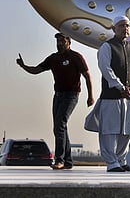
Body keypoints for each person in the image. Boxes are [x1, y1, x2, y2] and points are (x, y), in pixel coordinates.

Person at [16, 33, 94, 170]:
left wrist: (90, 96)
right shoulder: (53, 58)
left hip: (71, 95)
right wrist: (23, 66)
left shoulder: (76, 57)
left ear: (69, 42)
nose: (59, 43)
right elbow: (36, 70)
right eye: (57, 41)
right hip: (58, 96)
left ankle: (59, 160)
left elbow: (87, 75)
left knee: (59, 125)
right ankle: (68, 161)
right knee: (61, 127)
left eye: (62, 40)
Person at [96, 15, 130, 172]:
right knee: (109, 129)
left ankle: (121, 159)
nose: (125, 28)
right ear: (114, 28)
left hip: (129, 97)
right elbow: (106, 69)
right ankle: (111, 162)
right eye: (121, 26)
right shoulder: (107, 47)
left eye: (127, 25)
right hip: (111, 96)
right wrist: (120, 87)